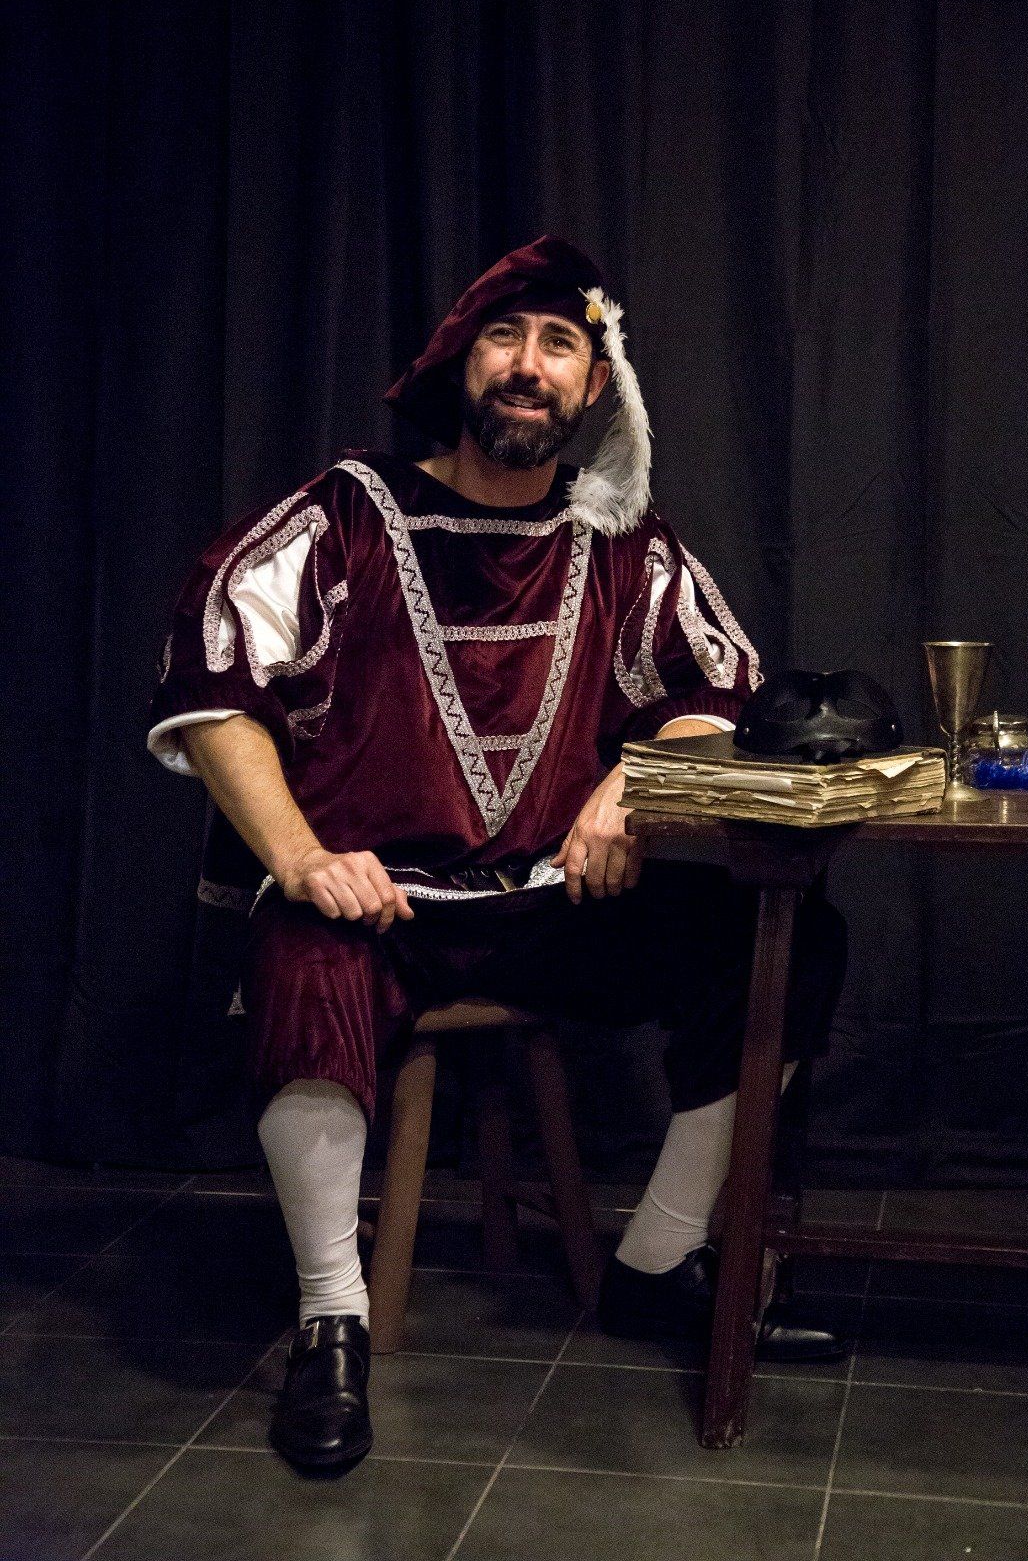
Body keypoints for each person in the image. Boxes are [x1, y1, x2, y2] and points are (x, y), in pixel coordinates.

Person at [147, 236, 846, 1474]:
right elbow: (216, 681)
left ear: (593, 387)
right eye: (503, 339)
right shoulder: (348, 513)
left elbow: (715, 695)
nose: (528, 365)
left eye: (558, 345)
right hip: (380, 904)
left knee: (786, 938)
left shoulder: (620, 539)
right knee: (302, 952)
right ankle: (332, 1323)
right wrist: (302, 857)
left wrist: (629, 790)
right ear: (458, 365)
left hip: (552, 901)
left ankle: (656, 1262)